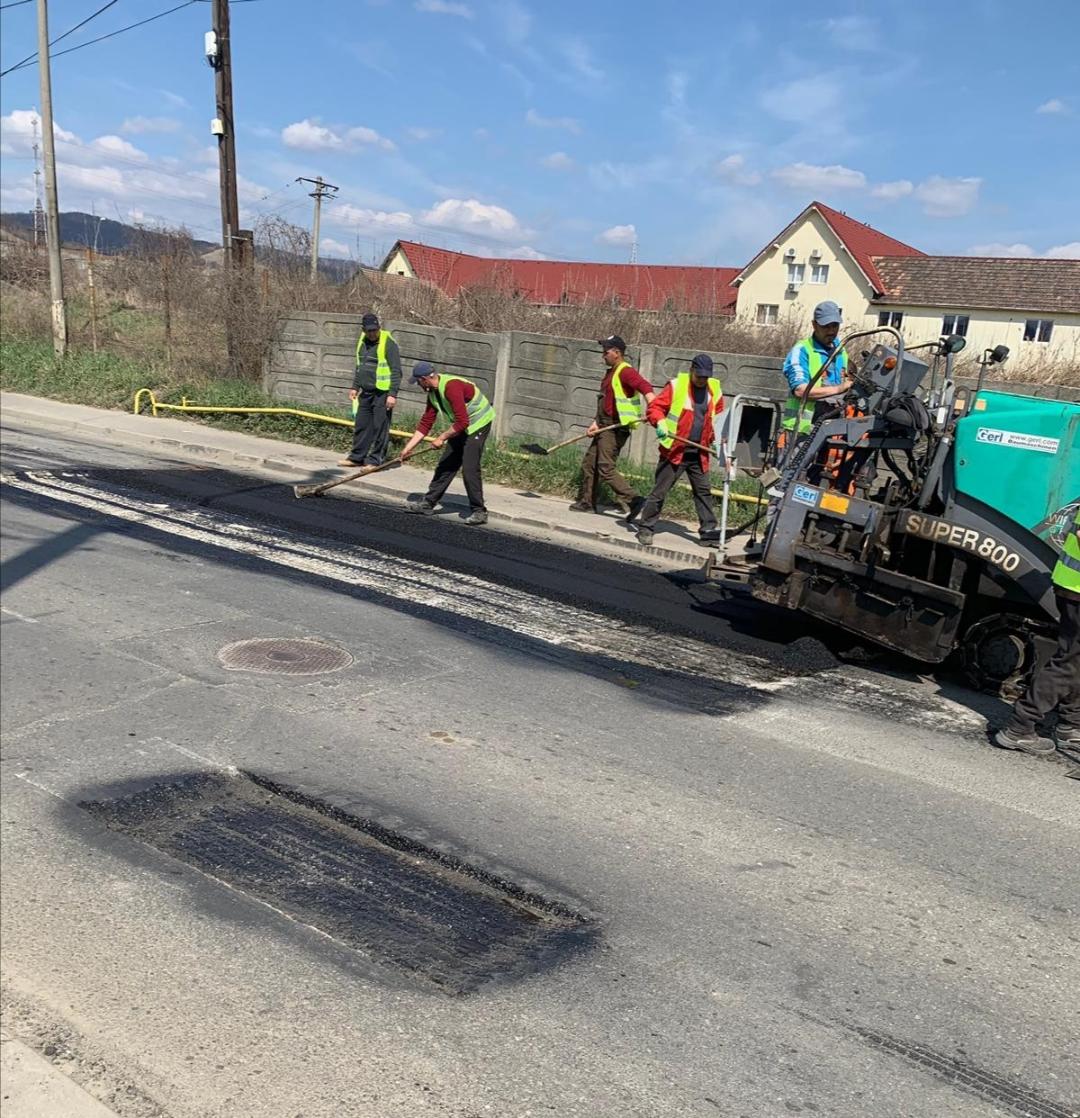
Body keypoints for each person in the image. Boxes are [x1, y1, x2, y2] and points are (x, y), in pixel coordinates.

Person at [994, 506, 1080, 767]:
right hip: (1077, 590)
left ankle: (1071, 724)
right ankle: (1019, 727)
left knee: (1076, 658)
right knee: (1069, 662)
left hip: (1072, 585)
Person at [635, 354, 723, 548]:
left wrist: (718, 440)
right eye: (699, 376)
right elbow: (655, 408)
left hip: (699, 453)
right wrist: (660, 422)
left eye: (705, 377)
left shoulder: (714, 389)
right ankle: (646, 528)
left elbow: (719, 417)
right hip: (675, 451)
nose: (702, 380)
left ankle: (708, 532)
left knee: (703, 492)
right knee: (660, 492)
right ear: (692, 370)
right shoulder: (677, 386)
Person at [399, 361, 495, 527]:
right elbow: (426, 423)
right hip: (462, 427)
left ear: (424, 379)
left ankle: (479, 511)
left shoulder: (451, 387)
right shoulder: (433, 393)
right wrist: (408, 448)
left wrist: (442, 437)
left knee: (469, 468)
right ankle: (428, 503)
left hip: (479, 423)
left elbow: (463, 421)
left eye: (418, 382)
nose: (419, 386)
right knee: (447, 464)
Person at [569, 334, 654, 517]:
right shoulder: (611, 373)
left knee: (605, 468)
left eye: (606, 352)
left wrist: (653, 409)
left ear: (617, 353)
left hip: (615, 428)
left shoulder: (625, 371)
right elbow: (606, 403)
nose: (603, 356)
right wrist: (595, 423)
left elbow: (645, 387)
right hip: (603, 425)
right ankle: (587, 502)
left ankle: (634, 499)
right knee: (589, 464)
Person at [781, 300, 854, 441]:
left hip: (832, 429)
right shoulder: (802, 350)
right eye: (826, 326)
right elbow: (800, 391)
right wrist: (840, 388)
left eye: (835, 326)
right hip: (801, 433)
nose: (831, 331)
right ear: (814, 325)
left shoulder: (841, 351)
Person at [340, 312, 401, 467]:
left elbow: (396, 370)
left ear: (379, 328)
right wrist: (355, 386)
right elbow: (360, 366)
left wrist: (392, 394)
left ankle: (375, 460)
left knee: (380, 427)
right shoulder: (362, 341)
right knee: (361, 425)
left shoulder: (388, 343)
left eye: (375, 330)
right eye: (369, 330)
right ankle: (357, 457)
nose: (373, 333)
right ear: (363, 330)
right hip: (365, 392)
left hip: (382, 393)